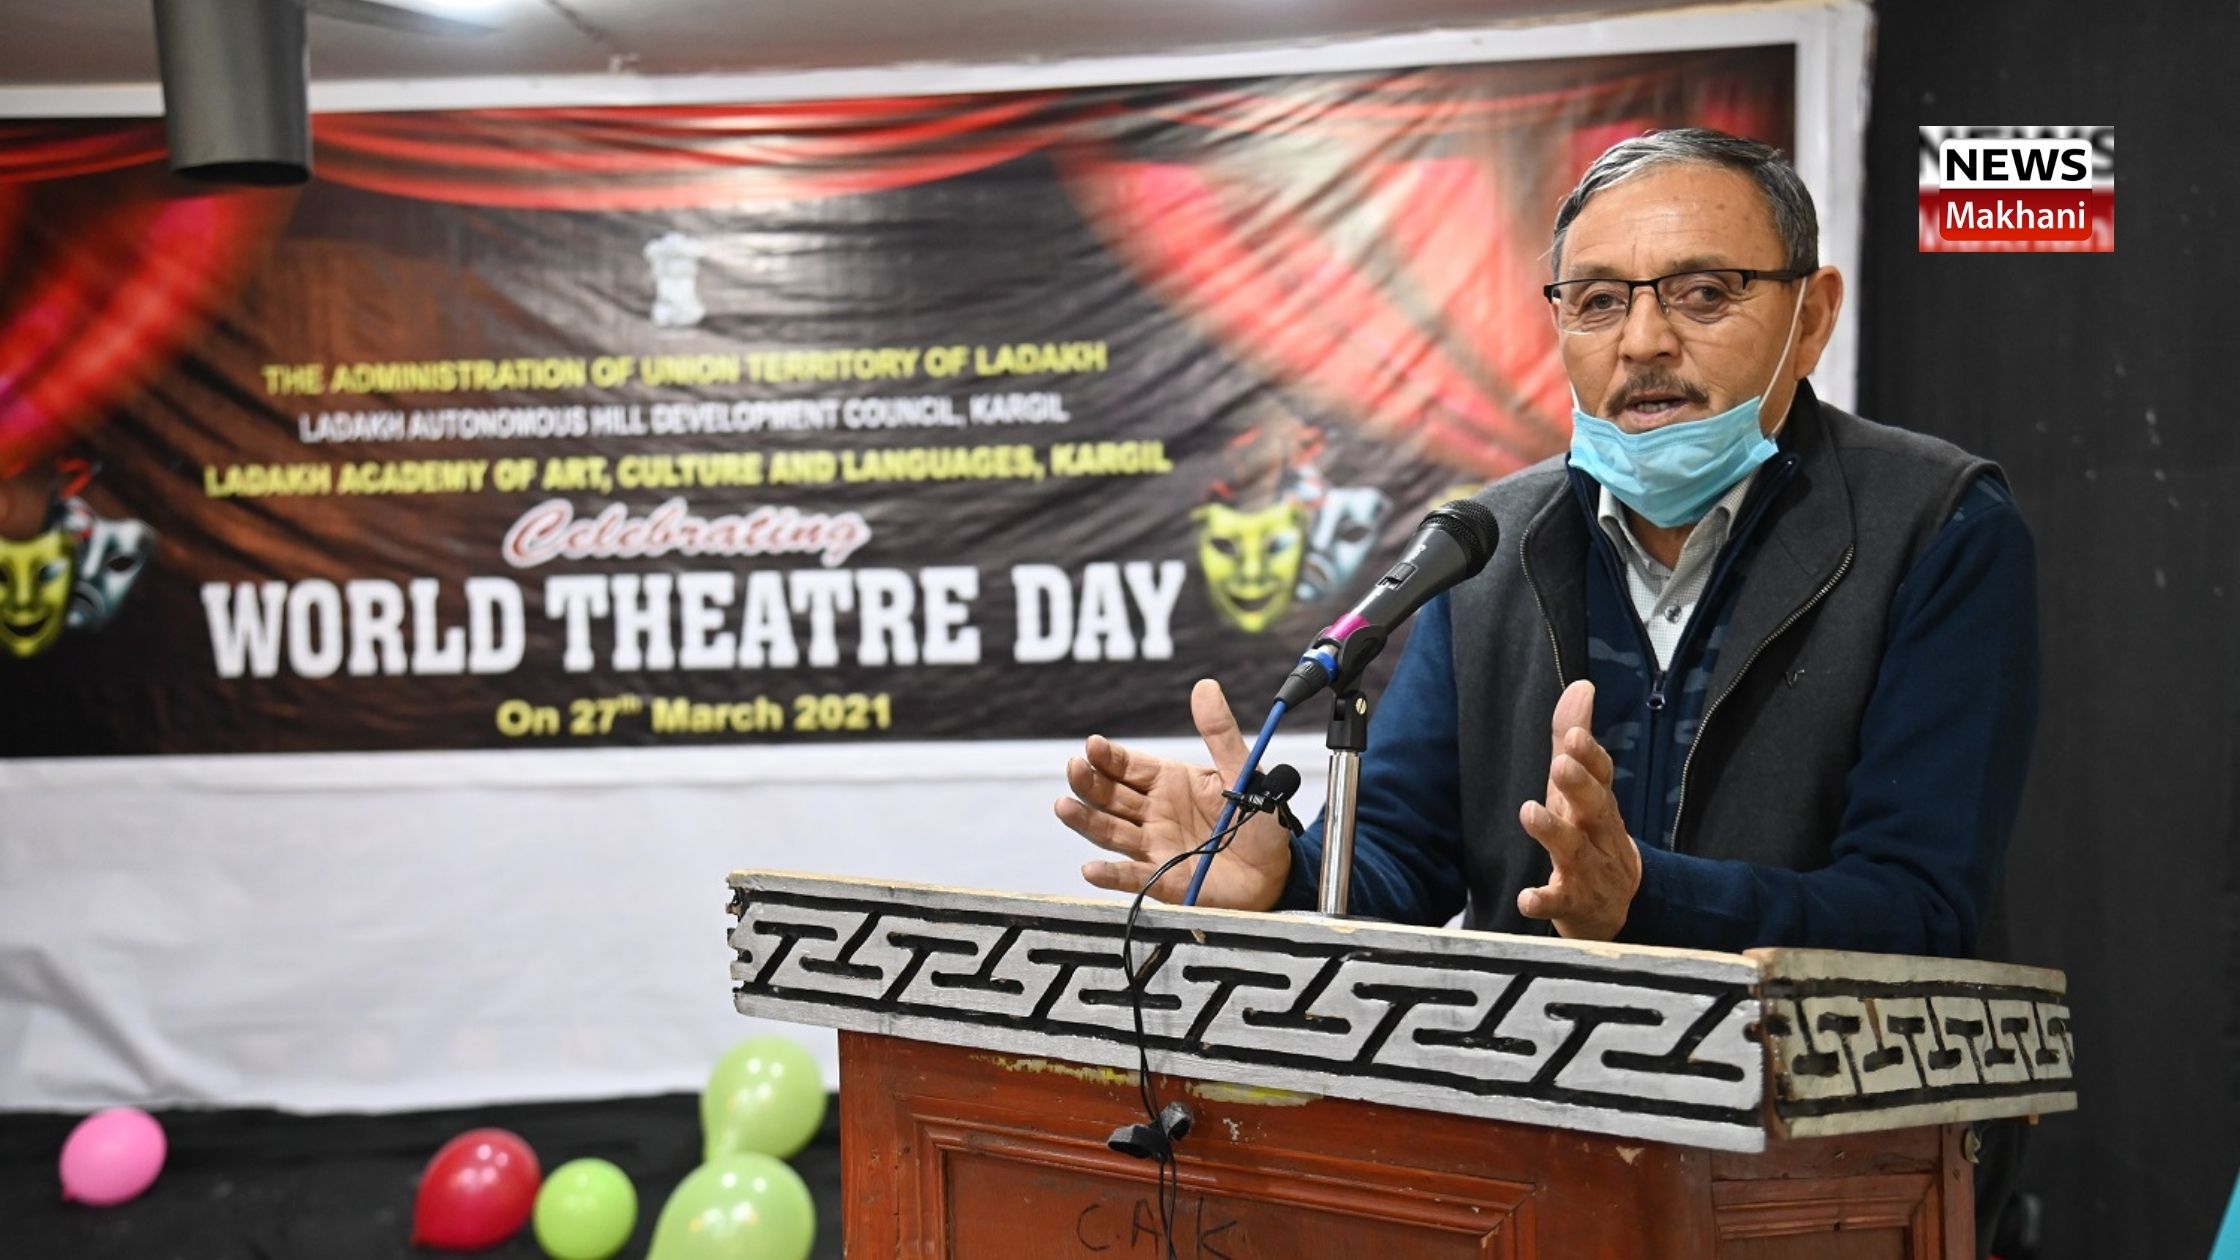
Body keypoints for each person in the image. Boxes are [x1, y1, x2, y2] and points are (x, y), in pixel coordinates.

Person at [1055, 128, 2040, 959]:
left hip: (1810, 1116)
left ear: (1810, 317)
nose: (1642, 341)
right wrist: (1286, 876)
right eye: (1598, 301)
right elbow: (1404, 855)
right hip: (1534, 1110)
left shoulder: (1936, 526)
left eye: (1703, 293)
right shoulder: (1486, 546)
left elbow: (1915, 910)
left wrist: (1643, 896)